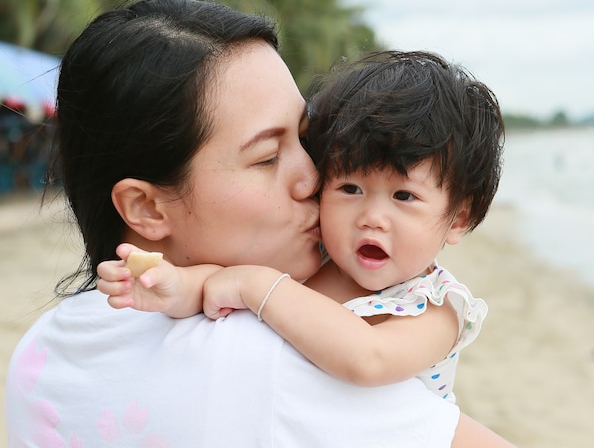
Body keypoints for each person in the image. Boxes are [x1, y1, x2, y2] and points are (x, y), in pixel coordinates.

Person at [5, 0, 516, 447]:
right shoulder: (270, 363)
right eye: (268, 157)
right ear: (146, 207)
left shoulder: (38, 353)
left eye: (307, 138)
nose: (314, 177)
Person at [97, 51, 501, 402]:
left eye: (404, 197)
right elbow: (220, 283)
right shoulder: (316, 258)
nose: (371, 218)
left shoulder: (437, 306)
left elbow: (369, 359)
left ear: (459, 218)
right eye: (350, 187)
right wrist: (174, 287)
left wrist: (256, 287)